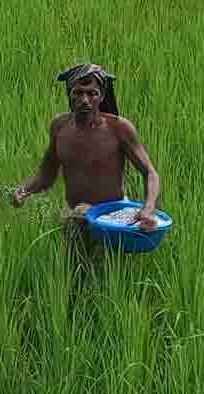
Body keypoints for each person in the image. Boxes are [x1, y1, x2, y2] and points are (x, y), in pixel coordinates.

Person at [10, 63, 162, 265]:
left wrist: (148, 207)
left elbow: (150, 173)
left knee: (105, 273)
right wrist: (24, 190)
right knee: (73, 270)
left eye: (92, 93)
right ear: (69, 94)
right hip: (74, 213)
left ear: (101, 96)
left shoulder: (119, 128)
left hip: (110, 217)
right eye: (78, 93)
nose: (84, 100)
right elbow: (47, 174)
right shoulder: (60, 126)